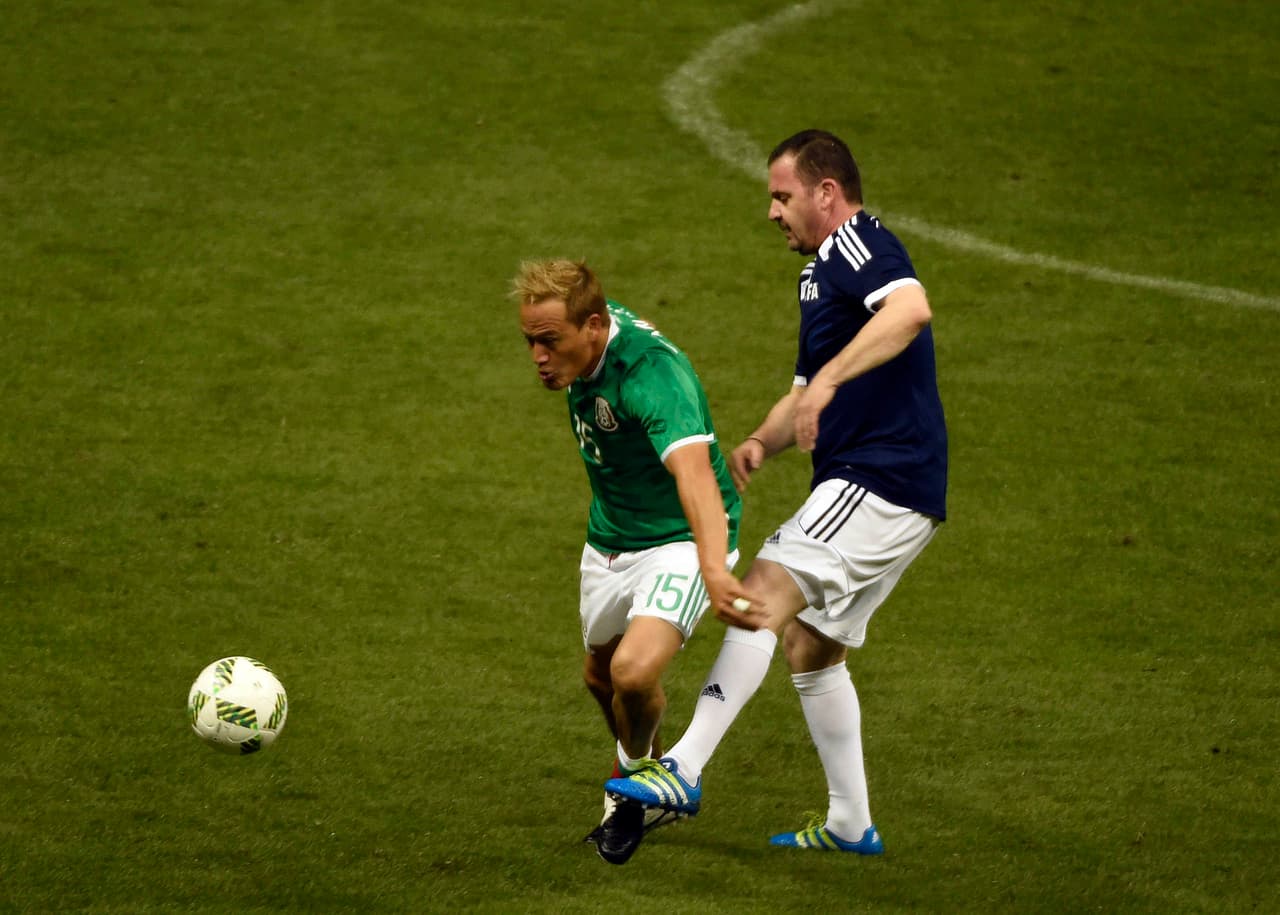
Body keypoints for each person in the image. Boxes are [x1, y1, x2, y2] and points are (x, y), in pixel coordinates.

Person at [606, 129, 948, 855]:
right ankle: (851, 819)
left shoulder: (859, 241)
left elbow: (911, 309)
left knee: (760, 588)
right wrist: (763, 440)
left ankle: (684, 767)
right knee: (809, 645)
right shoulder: (817, 276)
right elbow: (803, 397)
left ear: (827, 193)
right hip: (884, 486)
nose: (772, 212)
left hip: (883, 478)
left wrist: (828, 382)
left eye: (781, 195)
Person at [512, 259, 756, 864]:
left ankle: (630, 796)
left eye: (550, 342)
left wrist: (715, 567)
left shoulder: (652, 375)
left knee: (632, 673)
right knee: (600, 679)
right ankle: (648, 775)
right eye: (530, 342)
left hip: (681, 538)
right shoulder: (589, 336)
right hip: (610, 537)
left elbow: (695, 476)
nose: (539, 357)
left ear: (593, 327)